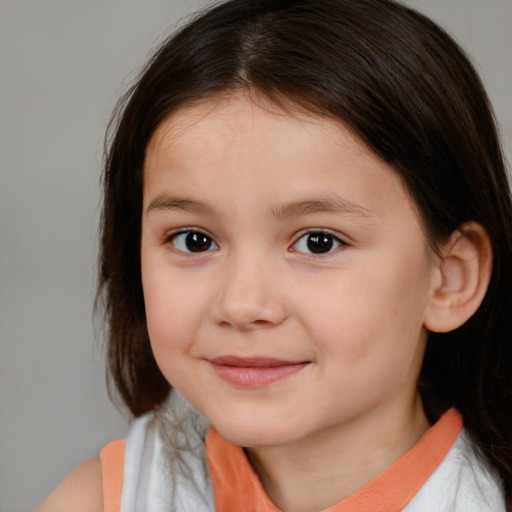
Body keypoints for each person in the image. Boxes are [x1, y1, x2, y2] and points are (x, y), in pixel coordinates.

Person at [38, 0, 511, 510]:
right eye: (194, 240)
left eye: (318, 242)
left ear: (449, 279)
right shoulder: (103, 499)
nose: (241, 305)